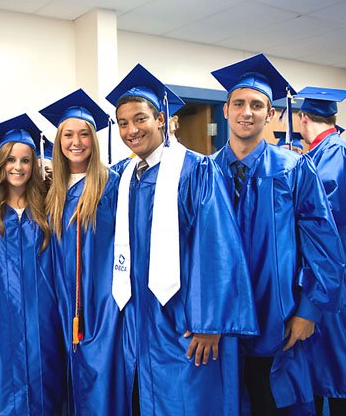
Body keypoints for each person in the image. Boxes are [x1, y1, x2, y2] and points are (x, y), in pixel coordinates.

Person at [106, 64, 258, 415]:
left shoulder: (196, 170)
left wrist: (209, 323)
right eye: (123, 123)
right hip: (140, 316)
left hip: (185, 319)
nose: (131, 130)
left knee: (190, 400)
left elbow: (217, 248)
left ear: (161, 119)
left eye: (140, 119)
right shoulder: (124, 177)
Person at [210, 54, 345, 415]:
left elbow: (323, 245)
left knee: (275, 402)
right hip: (221, 323)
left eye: (257, 105)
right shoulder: (204, 173)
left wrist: (310, 310)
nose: (247, 112)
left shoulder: (295, 168)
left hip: (280, 317)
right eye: (239, 103)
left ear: (270, 114)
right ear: (226, 110)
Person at [40, 89, 127, 415]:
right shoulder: (52, 191)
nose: (76, 142)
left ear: (94, 139)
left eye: (84, 134)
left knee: (101, 379)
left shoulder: (112, 184)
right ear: (58, 141)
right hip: (63, 304)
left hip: (103, 305)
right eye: (68, 135)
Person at [0, 115, 66, 415]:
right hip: (1, 315)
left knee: (46, 379)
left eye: (26, 160)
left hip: (44, 314)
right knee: (7, 381)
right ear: (1, 163)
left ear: (35, 165)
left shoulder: (50, 207)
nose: (18, 167)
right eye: (11, 160)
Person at [296, 86, 346, 415]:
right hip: (321, 272)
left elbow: (324, 215)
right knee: (320, 360)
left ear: (303, 118)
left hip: (332, 274)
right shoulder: (319, 153)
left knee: (339, 362)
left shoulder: (336, 153)